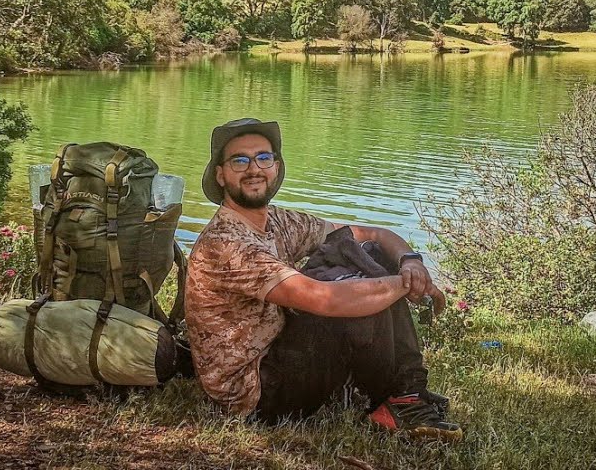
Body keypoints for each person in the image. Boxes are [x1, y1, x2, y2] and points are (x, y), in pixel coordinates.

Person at [184, 118, 462, 440]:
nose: (254, 169)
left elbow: (373, 234)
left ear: (275, 167)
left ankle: (406, 393)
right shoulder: (225, 244)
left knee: (367, 253)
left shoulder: (278, 221)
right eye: (239, 160)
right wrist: (405, 284)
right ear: (221, 175)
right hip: (257, 394)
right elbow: (326, 300)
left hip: (281, 351)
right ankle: (403, 397)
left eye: (263, 157)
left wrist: (410, 261)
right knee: (350, 288)